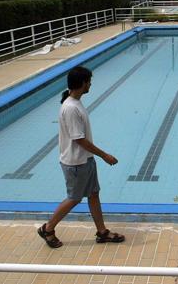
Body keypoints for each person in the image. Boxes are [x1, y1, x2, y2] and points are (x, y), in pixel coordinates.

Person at [37, 66, 125, 248]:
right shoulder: (70, 108)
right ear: (82, 83)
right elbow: (79, 140)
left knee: (93, 194)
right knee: (74, 198)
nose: (90, 84)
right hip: (75, 163)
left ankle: (102, 232)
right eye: (89, 81)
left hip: (85, 160)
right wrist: (104, 155)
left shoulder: (75, 103)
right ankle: (47, 229)